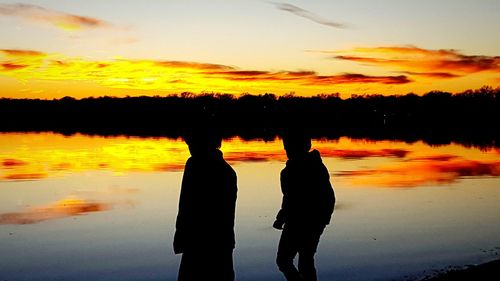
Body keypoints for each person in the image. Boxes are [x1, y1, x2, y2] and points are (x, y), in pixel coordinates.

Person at [173, 128, 238, 281]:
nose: (189, 148)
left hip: (213, 245)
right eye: (189, 143)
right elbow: (185, 206)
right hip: (199, 242)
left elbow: (220, 215)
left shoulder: (222, 172)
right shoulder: (194, 164)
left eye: (192, 143)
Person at [273, 130, 336, 281]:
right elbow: (290, 199)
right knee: (304, 260)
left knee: (286, 260)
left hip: (302, 221)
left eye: (289, 147)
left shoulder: (301, 170)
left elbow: (293, 199)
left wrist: (282, 218)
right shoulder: (313, 167)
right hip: (309, 220)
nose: (287, 151)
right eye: (286, 147)